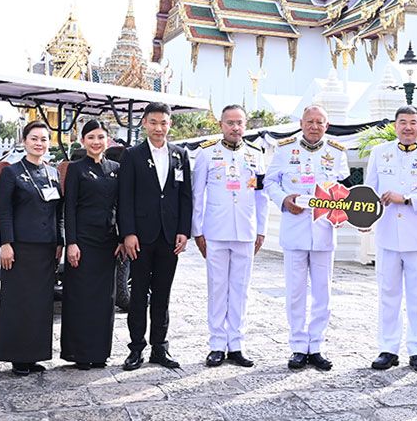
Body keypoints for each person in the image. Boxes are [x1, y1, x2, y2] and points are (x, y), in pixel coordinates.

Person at [264, 105, 351, 371]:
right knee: (295, 292)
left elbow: (344, 189)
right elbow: (270, 183)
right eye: (310, 121)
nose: (314, 126)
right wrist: (284, 199)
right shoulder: (284, 148)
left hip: (324, 229)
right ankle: (298, 346)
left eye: (320, 122)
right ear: (301, 123)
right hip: (295, 228)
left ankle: (317, 346)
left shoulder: (336, 152)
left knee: (323, 292)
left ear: (327, 125)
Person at [365, 105, 417, 374]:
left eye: (413, 122)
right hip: (388, 234)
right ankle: (388, 348)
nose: (408, 127)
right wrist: (363, 219)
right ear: (395, 126)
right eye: (403, 122)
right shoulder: (380, 153)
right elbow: (369, 192)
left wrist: (408, 199)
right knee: (388, 293)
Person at [192, 104, 269, 368]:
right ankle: (216, 344)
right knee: (217, 288)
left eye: (240, 123)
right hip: (215, 230)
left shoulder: (256, 154)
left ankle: (236, 343)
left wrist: (261, 229)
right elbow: (197, 195)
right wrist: (197, 230)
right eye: (230, 123)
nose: (235, 128)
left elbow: (262, 196)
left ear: (245, 125)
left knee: (240, 289)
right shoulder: (206, 153)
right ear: (221, 125)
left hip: (245, 230)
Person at [118, 102, 192, 370]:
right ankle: (136, 347)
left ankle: (160, 347)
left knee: (163, 293)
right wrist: (128, 233)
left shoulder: (180, 155)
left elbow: (186, 197)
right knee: (138, 293)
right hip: (140, 236)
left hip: (169, 236)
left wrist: (184, 231)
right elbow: (124, 198)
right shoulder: (132, 155)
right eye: (153, 122)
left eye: (163, 123)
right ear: (144, 123)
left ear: (170, 124)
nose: (159, 128)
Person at [0, 120, 64, 376]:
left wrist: (60, 241)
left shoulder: (53, 172)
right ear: (24, 141)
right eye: (34, 138)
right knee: (19, 302)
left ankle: (35, 355)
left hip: (46, 248)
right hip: (20, 248)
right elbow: (5, 212)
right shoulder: (11, 172)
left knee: (41, 303)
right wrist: (6, 244)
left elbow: (59, 212)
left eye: (44, 139)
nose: (39, 143)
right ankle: (17, 357)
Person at [61, 120, 120, 370]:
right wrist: (71, 243)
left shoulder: (117, 168)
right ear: (83, 141)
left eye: (101, 137)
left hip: (108, 242)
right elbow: (69, 208)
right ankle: (79, 353)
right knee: (80, 298)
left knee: (105, 299)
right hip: (83, 242)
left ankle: (100, 353)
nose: (96, 142)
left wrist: (121, 237)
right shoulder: (76, 169)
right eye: (91, 137)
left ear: (108, 140)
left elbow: (123, 206)